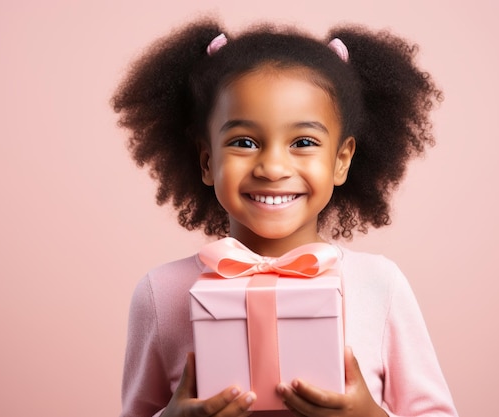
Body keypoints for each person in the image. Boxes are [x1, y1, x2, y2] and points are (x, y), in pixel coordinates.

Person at [112, 18, 458, 417]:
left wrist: (370, 415)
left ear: (341, 160)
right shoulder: (159, 293)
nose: (273, 167)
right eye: (244, 142)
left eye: (303, 142)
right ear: (207, 160)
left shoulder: (380, 285)